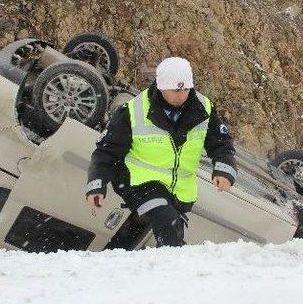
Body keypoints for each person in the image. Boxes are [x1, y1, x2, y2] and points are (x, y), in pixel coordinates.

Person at [85, 57, 237, 247]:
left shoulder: (204, 108)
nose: (181, 95)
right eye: (175, 90)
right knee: (168, 222)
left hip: (180, 189)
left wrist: (224, 169)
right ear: (161, 87)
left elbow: (221, 142)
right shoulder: (133, 111)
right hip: (138, 181)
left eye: (186, 89)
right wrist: (96, 184)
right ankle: (172, 269)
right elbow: (106, 151)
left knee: (169, 227)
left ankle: (149, 264)